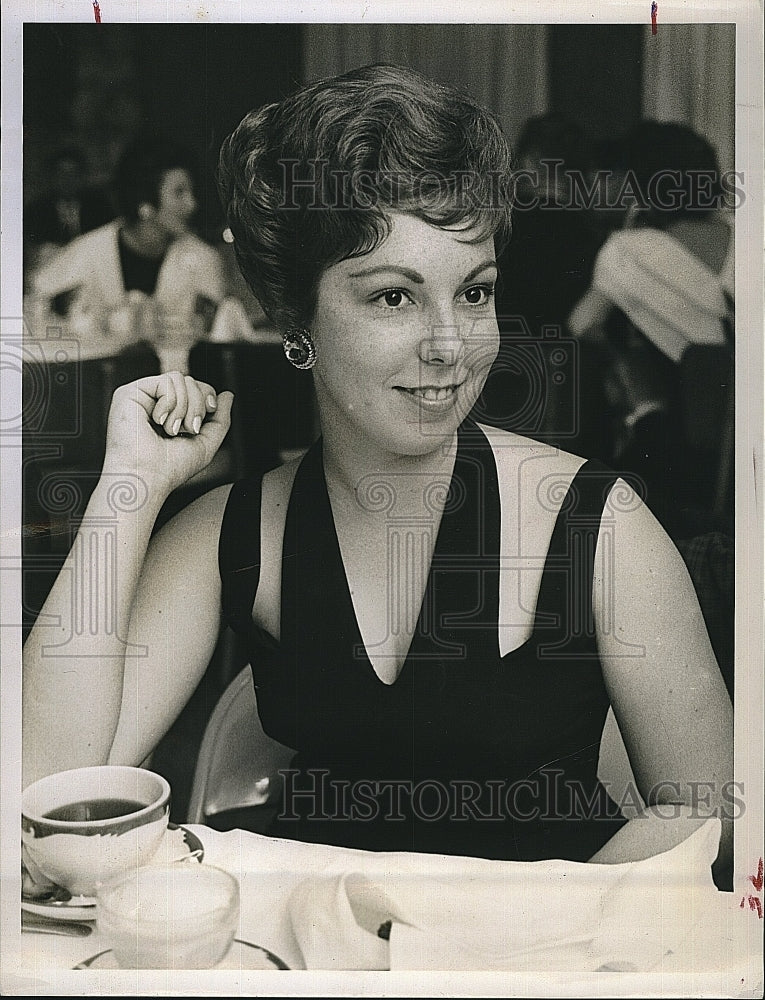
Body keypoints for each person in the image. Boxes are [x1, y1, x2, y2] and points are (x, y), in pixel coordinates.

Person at [22, 67, 733, 881]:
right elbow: (46, 798)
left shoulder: (597, 523)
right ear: (295, 319)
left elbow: (706, 815)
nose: (448, 343)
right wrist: (129, 491)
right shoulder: (229, 532)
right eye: (393, 297)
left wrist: (488, 942)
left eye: (474, 293)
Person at [28, 135, 224, 351]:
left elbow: (214, 328)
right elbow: (38, 302)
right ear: (145, 203)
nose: (192, 204)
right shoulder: (90, 251)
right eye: (179, 193)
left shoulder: (202, 257)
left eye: (191, 192)